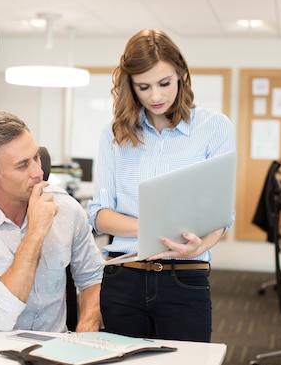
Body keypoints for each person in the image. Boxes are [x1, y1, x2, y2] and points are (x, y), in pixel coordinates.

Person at [87, 29, 235, 342]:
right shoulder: (113, 133)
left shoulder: (214, 128)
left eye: (164, 83)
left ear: (181, 75)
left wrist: (201, 246)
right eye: (144, 86)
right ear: (130, 85)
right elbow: (99, 214)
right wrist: (150, 228)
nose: (155, 96)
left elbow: (221, 215)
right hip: (123, 278)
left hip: (184, 278)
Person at [0, 111, 103, 333]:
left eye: (36, 157)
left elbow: (93, 277)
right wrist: (35, 232)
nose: (38, 172)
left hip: (54, 349)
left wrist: (86, 332)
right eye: (22, 165)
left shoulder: (67, 208)